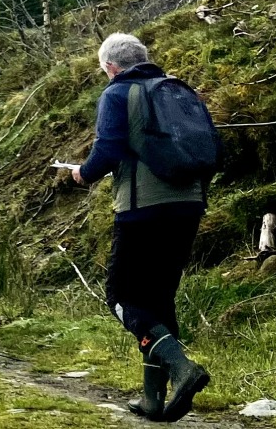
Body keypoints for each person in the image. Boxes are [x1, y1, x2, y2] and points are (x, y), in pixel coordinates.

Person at [70, 33, 212, 422]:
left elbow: (108, 148)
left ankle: (181, 367)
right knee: (159, 299)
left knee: (121, 296)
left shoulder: (116, 94)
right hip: (190, 203)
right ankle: (153, 399)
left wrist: (83, 173)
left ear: (108, 67)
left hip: (142, 208)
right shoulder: (178, 92)